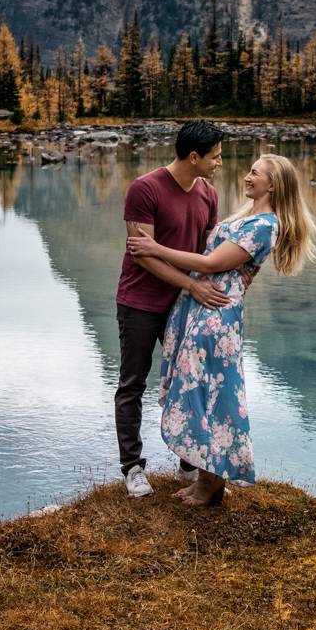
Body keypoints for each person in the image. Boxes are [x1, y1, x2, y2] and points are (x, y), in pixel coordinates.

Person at [128, 153, 316, 506]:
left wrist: (155, 248)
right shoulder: (245, 216)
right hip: (200, 307)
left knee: (213, 396)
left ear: (273, 184)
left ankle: (211, 484)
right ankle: (206, 476)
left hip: (216, 317)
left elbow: (211, 262)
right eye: (249, 170)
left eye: (255, 173)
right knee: (201, 391)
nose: (247, 177)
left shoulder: (264, 225)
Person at [114, 119, 232, 498]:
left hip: (184, 306)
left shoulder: (208, 194)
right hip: (140, 303)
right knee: (133, 384)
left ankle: (189, 464)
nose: (220, 162)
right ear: (194, 157)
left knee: (190, 382)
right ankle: (132, 468)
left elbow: (208, 251)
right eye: (214, 156)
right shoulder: (144, 189)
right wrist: (192, 284)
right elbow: (143, 255)